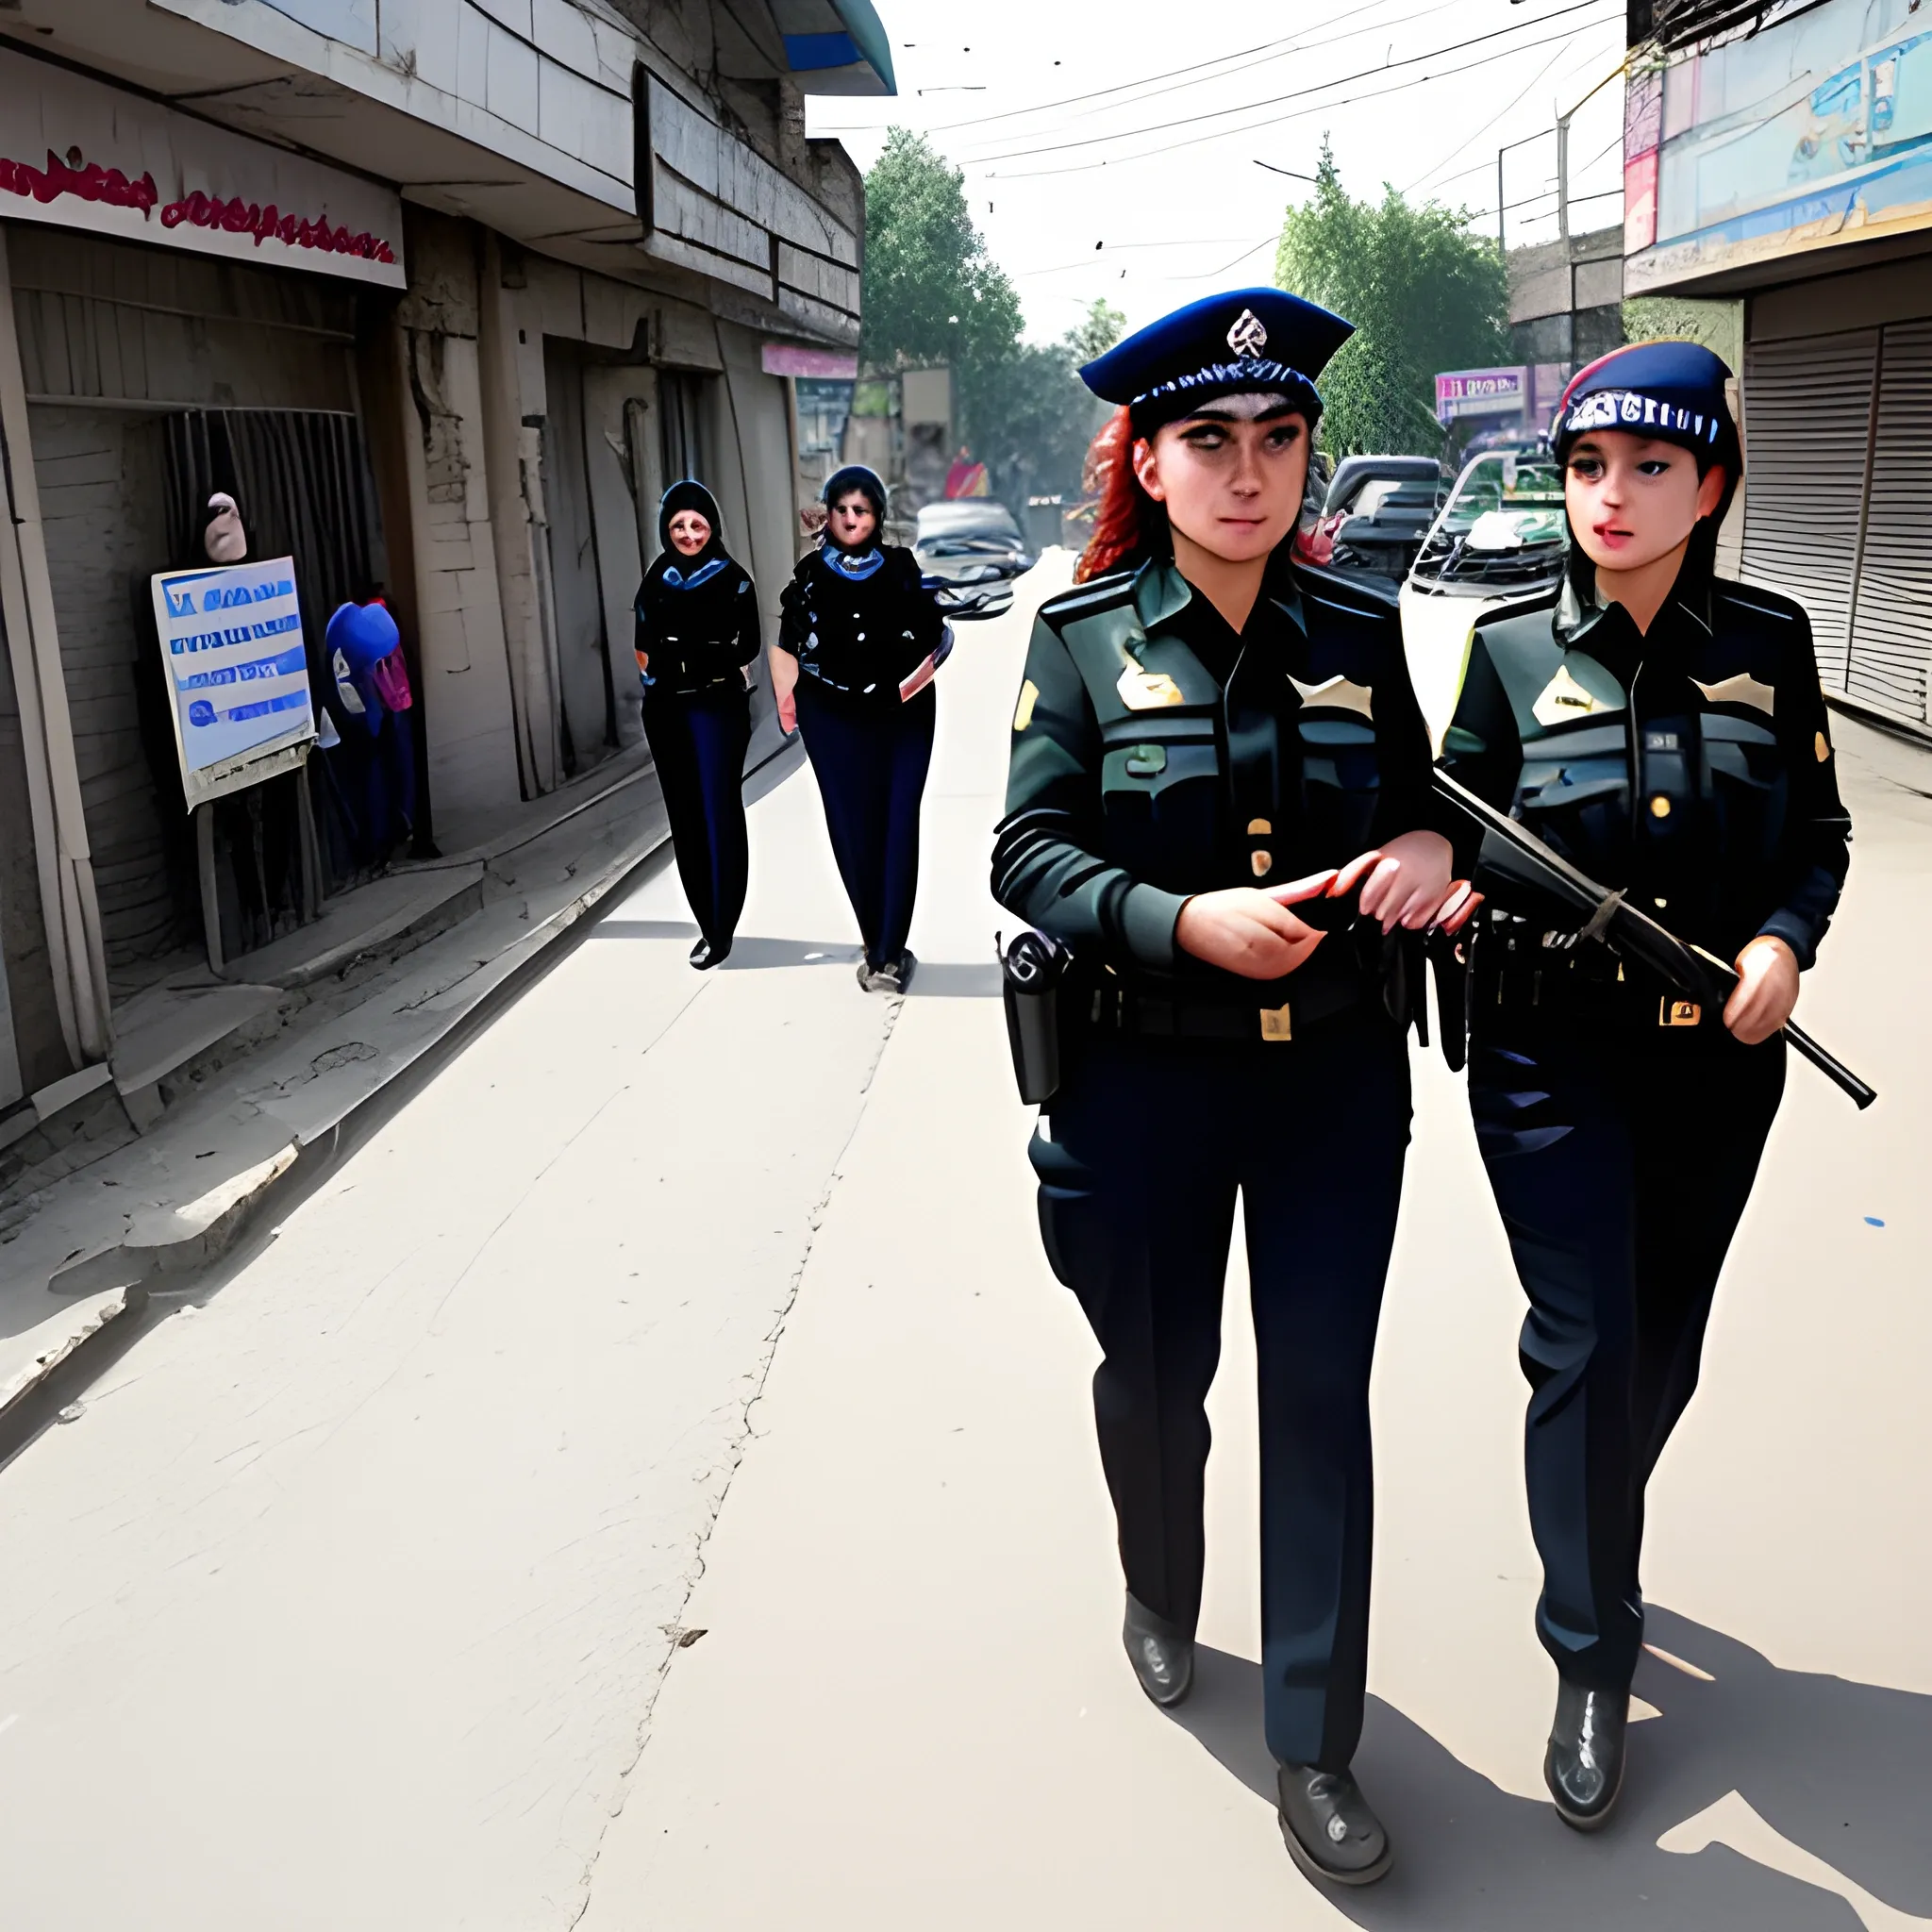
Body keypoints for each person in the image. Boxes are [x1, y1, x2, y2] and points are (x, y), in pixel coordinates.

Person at [991, 289, 1464, 1888]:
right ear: (1151, 457)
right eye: (1209, 441)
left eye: (1276, 439)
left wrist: (1427, 845)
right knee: (1155, 1375)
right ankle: (1155, 1573)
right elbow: (1026, 850)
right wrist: (1178, 919)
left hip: (1332, 1081)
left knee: (1319, 1399)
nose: (1246, 472)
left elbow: (1419, 802)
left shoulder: (1355, 627)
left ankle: (1313, 1739)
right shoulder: (1078, 638)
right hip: (1142, 1086)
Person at [1436, 341, 1852, 1830]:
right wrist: (1454, 883)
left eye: (1651, 469)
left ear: (1711, 484)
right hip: (1549, 1056)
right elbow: (1449, 825)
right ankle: (1590, 1648)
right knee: (1590, 1341)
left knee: (1661, 1350)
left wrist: (1782, 944)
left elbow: (1817, 834)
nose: (1611, 497)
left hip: (1715, 1068)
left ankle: (1590, 1518)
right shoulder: (1506, 651)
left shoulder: (1773, 635)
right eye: (1587, 469)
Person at [772, 464, 946, 994]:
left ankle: (893, 951)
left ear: (877, 515)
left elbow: (936, 636)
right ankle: (875, 943)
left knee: (897, 822)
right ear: (829, 513)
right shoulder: (808, 575)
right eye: (842, 509)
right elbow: (787, 645)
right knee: (850, 826)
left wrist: (901, 688)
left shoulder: (900, 566)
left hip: (902, 716)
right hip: (831, 718)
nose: (851, 519)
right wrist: (789, 704)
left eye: (862, 510)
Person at [634, 480, 760, 969]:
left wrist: (684, 653)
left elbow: (743, 645)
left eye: (698, 525)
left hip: (717, 708)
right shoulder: (657, 577)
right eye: (678, 526)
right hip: (665, 710)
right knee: (683, 815)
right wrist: (689, 654)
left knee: (717, 809)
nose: (688, 534)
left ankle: (725, 923)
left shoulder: (734, 580)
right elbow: (644, 644)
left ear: (713, 527)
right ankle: (705, 921)